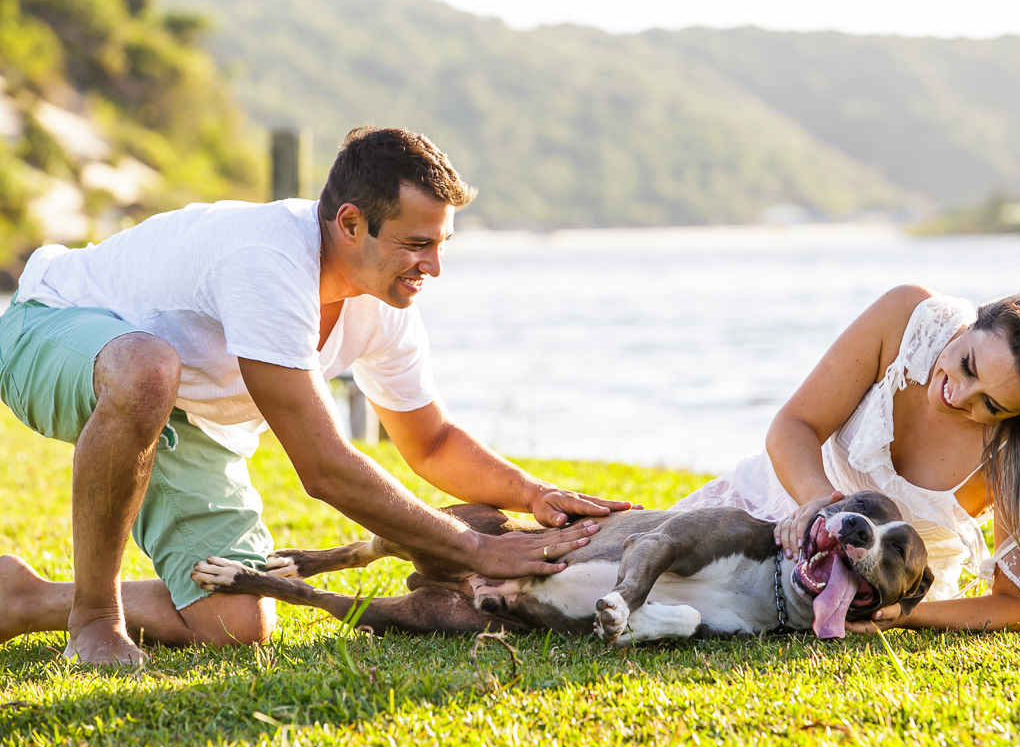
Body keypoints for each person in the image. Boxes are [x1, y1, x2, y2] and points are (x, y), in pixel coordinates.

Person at [0, 126, 633, 665]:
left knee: (237, 626)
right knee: (145, 366)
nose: (433, 266)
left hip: (185, 413)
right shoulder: (269, 261)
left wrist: (531, 493)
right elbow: (323, 466)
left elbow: (432, 441)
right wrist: (477, 548)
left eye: (441, 244)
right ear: (351, 224)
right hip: (48, 330)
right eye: (417, 244)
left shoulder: (384, 304)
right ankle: (93, 617)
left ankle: (23, 599)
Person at [672, 285, 1020, 632]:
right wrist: (815, 506)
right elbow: (794, 426)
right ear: (971, 325)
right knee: (620, 563)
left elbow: (1018, 606)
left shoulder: (1015, 454)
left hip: (863, 587)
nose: (960, 395)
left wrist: (900, 616)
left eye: (990, 404)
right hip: (767, 507)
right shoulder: (907, 321)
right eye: (967, 364)